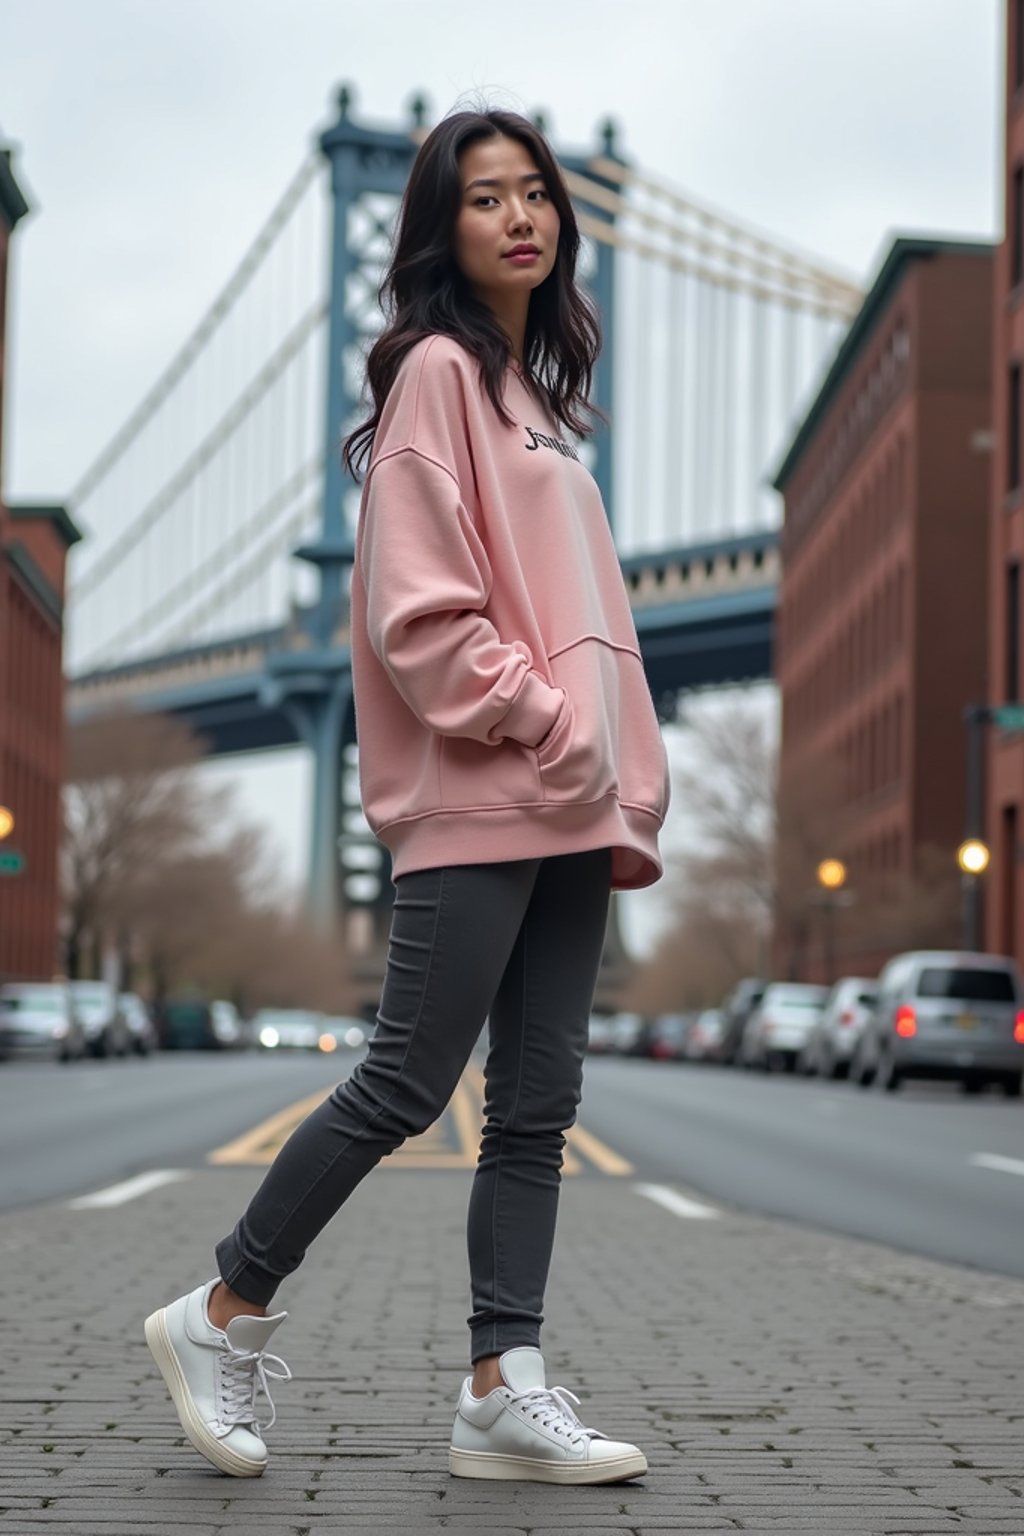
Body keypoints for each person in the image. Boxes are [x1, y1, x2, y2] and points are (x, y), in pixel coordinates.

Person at [144, 105, 670, 1488]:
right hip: (490, 792)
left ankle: (505, 1385)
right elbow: (419, 611)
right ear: (438, 232)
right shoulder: (437, 372)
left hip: (572, 799)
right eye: (485, 197)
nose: (522, 216)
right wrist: (548, 723)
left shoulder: (541, 404)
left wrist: (618, 767)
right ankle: (218, 1314)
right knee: (406, 1078)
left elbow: (588, 621)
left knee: (539, 1099)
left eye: (538, 193)